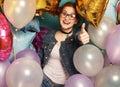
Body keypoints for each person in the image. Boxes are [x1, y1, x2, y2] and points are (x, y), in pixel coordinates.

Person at [38, 2, 90, 87]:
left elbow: (79, 37)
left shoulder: (76, 36)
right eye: (64, 13)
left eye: (72, 16)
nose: (66, 18)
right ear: (59, 15)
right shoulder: (49, 35)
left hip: (64, 84)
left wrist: (82, 37)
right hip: (44, 80)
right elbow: (40, 57)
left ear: (76, 20)